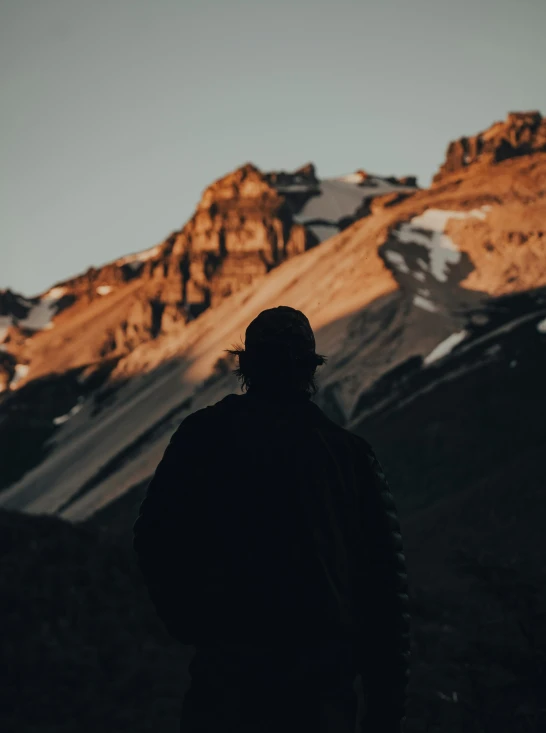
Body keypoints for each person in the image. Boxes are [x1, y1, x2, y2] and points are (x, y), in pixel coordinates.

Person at [133, 305, 411, 732]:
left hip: (227, 681)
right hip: (321, 690)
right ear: (309, 368)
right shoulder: (349, 454)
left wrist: (194, 624)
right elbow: (383, 585)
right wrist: (386, 702)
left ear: (245, 364)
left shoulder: (203, 435)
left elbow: (155, 537)